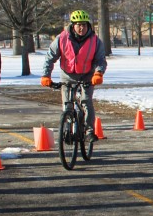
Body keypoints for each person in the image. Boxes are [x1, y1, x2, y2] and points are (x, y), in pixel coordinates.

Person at [41, 10, 107, 142]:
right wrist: (46, 75)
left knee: (86, 101)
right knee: (67, 104)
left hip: (87, 75)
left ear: (88, 25)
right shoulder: (61, 39)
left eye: (84, 25)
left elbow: (101, 60)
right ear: (73, 25)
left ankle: (89, 131)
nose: (81, 28)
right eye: (78, 25)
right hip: (68, 75)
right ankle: (66, 129)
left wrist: (98, 73)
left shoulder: (95, 41)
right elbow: (50, 58)